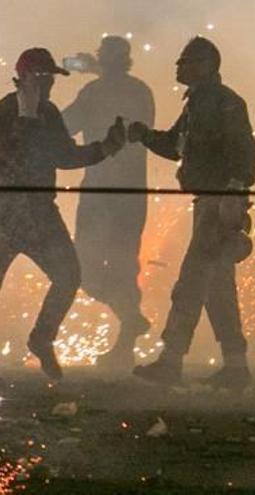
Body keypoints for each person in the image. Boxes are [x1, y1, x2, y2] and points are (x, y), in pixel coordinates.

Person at [128, 37, 255, 390]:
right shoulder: (198, 105)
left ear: (205, 65)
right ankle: (235, 366)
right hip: (209, 202)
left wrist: (234, 192)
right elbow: (175, 146)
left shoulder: (225, 103)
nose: (178, 67)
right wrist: (143, 136)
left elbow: (245, 151)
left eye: (185, 61)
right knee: (217, 289)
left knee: (191, 282)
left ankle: (171, 361)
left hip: (217, 204)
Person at [0, 48, 126, 380]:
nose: (49, 84)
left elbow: (64, 156)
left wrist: (105, 148)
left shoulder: (50, 113)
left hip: (41, 215)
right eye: (42, 78)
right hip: (4, 217)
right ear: (23, 78)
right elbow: (10, 154)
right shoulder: (5, 111)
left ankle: (42, 338)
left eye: (51, 78)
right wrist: (25, 117)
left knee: (69, 275)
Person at [63, 36, 156, 369]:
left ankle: (128, 317)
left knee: (83, 269)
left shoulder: (95, 92)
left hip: (101, 193)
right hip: (131, 195)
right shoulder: (141, 91)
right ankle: (126, 336)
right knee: (124, 267)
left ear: (102, 61)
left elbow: (63, 127)